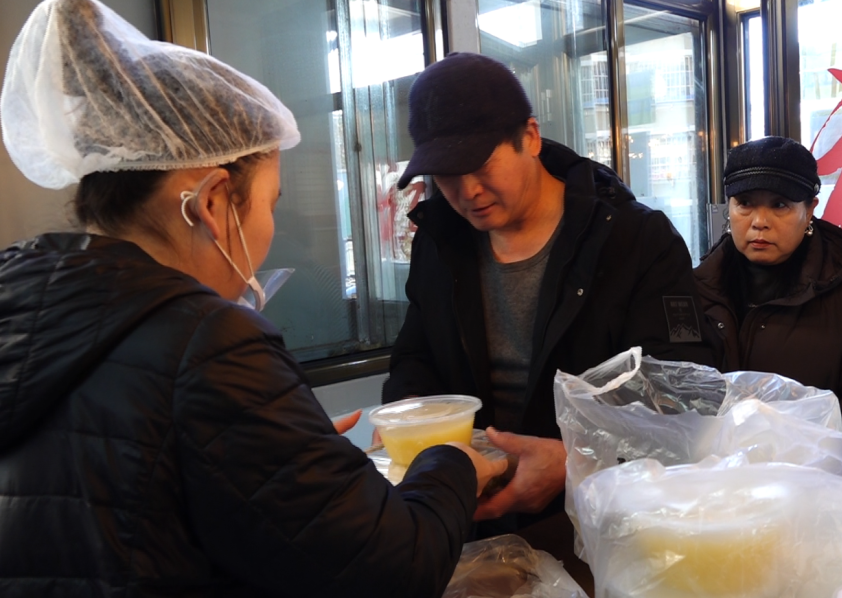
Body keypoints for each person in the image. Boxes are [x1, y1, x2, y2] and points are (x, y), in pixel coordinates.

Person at [0, 1, 506, 596]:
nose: (270, 230)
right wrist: (451, 463)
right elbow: (394, 568)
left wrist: (286, 452)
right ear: (212, 202)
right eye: (270, 204)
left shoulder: (25, 306)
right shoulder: (207, 342)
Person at [382, 52, 715, 526]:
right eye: (446, 175)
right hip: (470, 513)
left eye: (480, 165)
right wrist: (407, 423)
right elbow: (416, 357)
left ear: (531, 138)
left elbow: (683, 391)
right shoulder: (440, 241)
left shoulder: (635, 239)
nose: (467, 191)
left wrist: (578, 459)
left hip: (603, 518)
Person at [694, 136, 842, 442]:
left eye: (779, 205)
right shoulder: (696, 290)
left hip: (816, 470)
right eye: (745, 203)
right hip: (708, 469)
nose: (759, 221)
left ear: (810, 210)